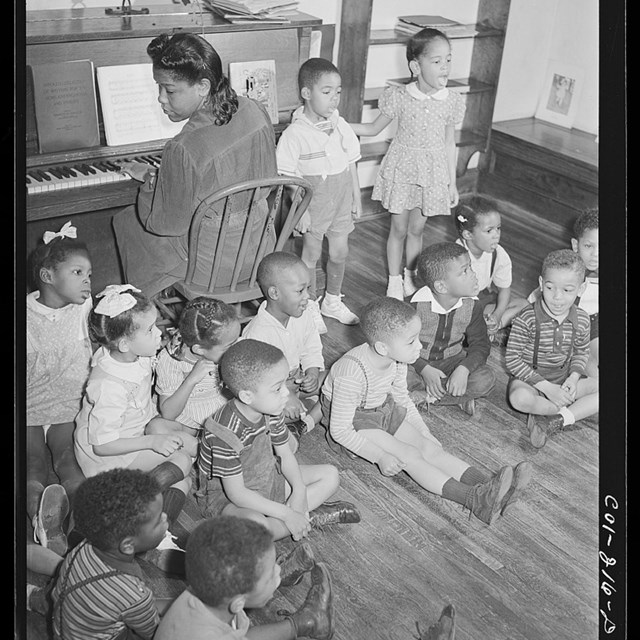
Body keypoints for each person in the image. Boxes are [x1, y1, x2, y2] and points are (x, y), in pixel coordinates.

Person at [320, 296, 531, 526]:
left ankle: (492, 487)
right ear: (382, 347)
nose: (419, 346)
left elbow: (402, 399)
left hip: (381, 409)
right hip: (353, 422)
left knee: (428, 447)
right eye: (412, 342)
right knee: (409, 456)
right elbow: (340, 430)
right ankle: (475, 500)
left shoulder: (397, 360)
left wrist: (424, 433)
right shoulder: (351, 373)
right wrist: (379, 456)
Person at [113, 32, 278, 299]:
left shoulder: (183, 147)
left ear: (202, 86)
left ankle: (139, 315)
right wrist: (164, 175)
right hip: (260, 246)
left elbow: (165, 224)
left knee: (128, 221)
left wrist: (151, 181)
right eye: (159, 88)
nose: (161, 99)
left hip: (213, 266)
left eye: (169, 89)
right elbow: (261, 179)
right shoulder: (256, 110)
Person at [74, 284, 199, 562]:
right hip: (109, 453)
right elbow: (103, 445)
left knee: (183, 481)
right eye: (150, 330)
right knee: (181, 460)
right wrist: (152, 441)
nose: (159, 332)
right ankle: (129, 516)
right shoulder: (108, 384)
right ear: (125, 344)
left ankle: (153, 536)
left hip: (136, 431)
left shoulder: (130, 355)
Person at [195, 338, 361, 541]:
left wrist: (299, 490)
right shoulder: (225, 432)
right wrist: (288, 513)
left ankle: (297, 517)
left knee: (331, 475)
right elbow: (237, 493)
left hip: (266, 476)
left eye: (285, 383)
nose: (286, 394)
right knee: (256, 527)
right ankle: (304, 518)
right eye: (277, 388)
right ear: (247, 396)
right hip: (226, 497)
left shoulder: (270, 407)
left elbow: (285, 453)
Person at [349, 28, 466, 301]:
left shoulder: (451, 101)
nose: (445, 67)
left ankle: (410, 276)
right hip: (402, 169)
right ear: (416, 66)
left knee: (417, 229)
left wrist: (452, 182)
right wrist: (335, 124)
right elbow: (373, 128)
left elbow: (449, 144)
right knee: (399, 228)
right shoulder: (399, 96)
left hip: (432, 172)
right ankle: (393, 280)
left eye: (448, 59)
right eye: (437, 61)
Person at [276, 57, 362, 333]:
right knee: (310, 256)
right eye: (327, 92)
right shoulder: (294, 134)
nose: (334, 98)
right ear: (306, 94)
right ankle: (310, 305)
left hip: (341, 199)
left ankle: (332, 300)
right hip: (313, 203)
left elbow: (351, 164)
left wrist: (357, 198)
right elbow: (287, 176)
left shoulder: (340, 125)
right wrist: (302, 210)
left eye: (338, 91)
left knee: (340, 252)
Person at [155, 515, 334, 640]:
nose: (278, 570)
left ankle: (308, 621)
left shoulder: (200, 590)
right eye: (271, 574)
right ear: (238, 604)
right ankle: (309, 622)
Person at [49, 468, 178, 640]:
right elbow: (154, 633)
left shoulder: (84, 546)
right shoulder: (134, 594)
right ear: (128, 545)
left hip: (64, 625)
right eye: (157, 521)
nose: (165, 518)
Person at [26, 221, 92, 557]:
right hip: (28, 407)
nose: (87, 280)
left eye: (89, 273)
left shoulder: (85, 306)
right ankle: (43, 519)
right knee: (33, 463)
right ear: (48, 277)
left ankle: (83, 524)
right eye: (78, 272)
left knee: (68, 460)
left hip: (68, 403)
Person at [506, 249, 599, 448]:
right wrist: (547, 388)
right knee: (518, 398)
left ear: (581, 289)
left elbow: (582, 351)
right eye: (550, 288)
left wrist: (573, 378)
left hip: (563, 378)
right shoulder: (527, 318)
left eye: (567, 290)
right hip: (530, 380)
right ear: (541, 284)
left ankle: (556, 419)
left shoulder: (582, 319)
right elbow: (512, 359)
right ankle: (565, 409)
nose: (557, 297)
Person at [241, 252, 326, 441]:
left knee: (337, 379)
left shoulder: (303, 316)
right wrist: (285, 396)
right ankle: (312, 413)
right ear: (274, 293)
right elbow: (257, 382)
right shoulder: (256, 334)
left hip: (298, 380)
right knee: (257, 415)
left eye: (308, 289)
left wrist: (312, 372)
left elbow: (312, 348)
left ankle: (305, 420)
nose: (308, 297)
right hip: (273, 392)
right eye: (300, 291)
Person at [406, 242, 496, 417]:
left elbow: (481, 346)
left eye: (470, 267)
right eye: (464, 271)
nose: (473, 274)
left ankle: (425, 396)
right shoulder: (412, 307)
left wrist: (463, 370)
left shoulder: (473, 305)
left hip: (452, 362)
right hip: (415, 362)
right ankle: (456, 396)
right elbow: (400, 346)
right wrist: (424, 369)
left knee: (486, 379)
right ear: (441, 286)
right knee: (396, 376)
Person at [527, 207, 599, 378]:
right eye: (588, 246)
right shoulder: (565, 271)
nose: (595, 254)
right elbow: (536, 299)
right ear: (576, 245)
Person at [155, 297, 240, 438]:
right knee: (157, 428)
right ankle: (206, 448)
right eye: (229, 346)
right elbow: (168, 413)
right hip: (186, 415)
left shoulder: (219, 345)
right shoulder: (171, 359)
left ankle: (206, 446)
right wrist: (191, 380)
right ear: (199, 350)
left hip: (220, 408)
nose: (235, 348)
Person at [452, 195, 527, 341]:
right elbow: (450, 299)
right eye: (489, 231)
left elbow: (504, 289)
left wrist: (497, 316)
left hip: (481, 302)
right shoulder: (455, 256)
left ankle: (490, 329)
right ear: (468, 234)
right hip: (458, 306)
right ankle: (480, 333)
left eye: (498, 228)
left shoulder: (498, 254)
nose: (496, 235)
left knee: (524, 305)